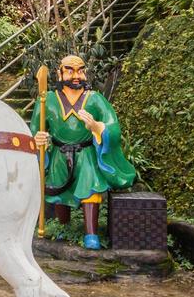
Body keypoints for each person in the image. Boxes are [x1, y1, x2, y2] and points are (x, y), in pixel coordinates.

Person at [31, 54, 137, 249]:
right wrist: (39, 139)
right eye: (70, 70)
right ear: (59, 73)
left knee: (91, 190)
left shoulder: (95, 99)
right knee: (58, 191)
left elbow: (113, 127)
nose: (76, 76)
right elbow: (36, 129)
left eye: (80, 70)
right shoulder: (48, 100)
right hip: (59, 155)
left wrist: (97, 127)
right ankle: (64, 226)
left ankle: (91, 234)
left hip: (86, 154)